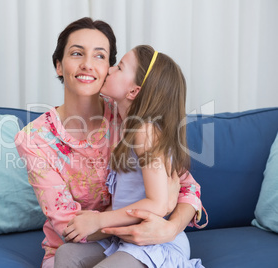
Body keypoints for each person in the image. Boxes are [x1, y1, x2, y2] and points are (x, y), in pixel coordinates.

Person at [15, 17, 204, 268]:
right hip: (88, 243)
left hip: (141, 240)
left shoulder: (132, 120)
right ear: (59, 66)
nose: (87, 65)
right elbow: (69, 227)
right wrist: (149, 215)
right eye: (76, 53)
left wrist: (169, 228)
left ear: (109, 69)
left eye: (100, 56)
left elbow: (186, 188)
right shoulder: (35, 138)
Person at [54, 45, 207, 267]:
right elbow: (129, 195)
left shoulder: (145, 132)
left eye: (119, 67)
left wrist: (98, 220)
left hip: (152, 243)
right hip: (123, 238)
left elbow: (157, 203)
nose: (109, 69)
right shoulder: (126, 127)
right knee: (66, 254)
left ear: (134, 91)